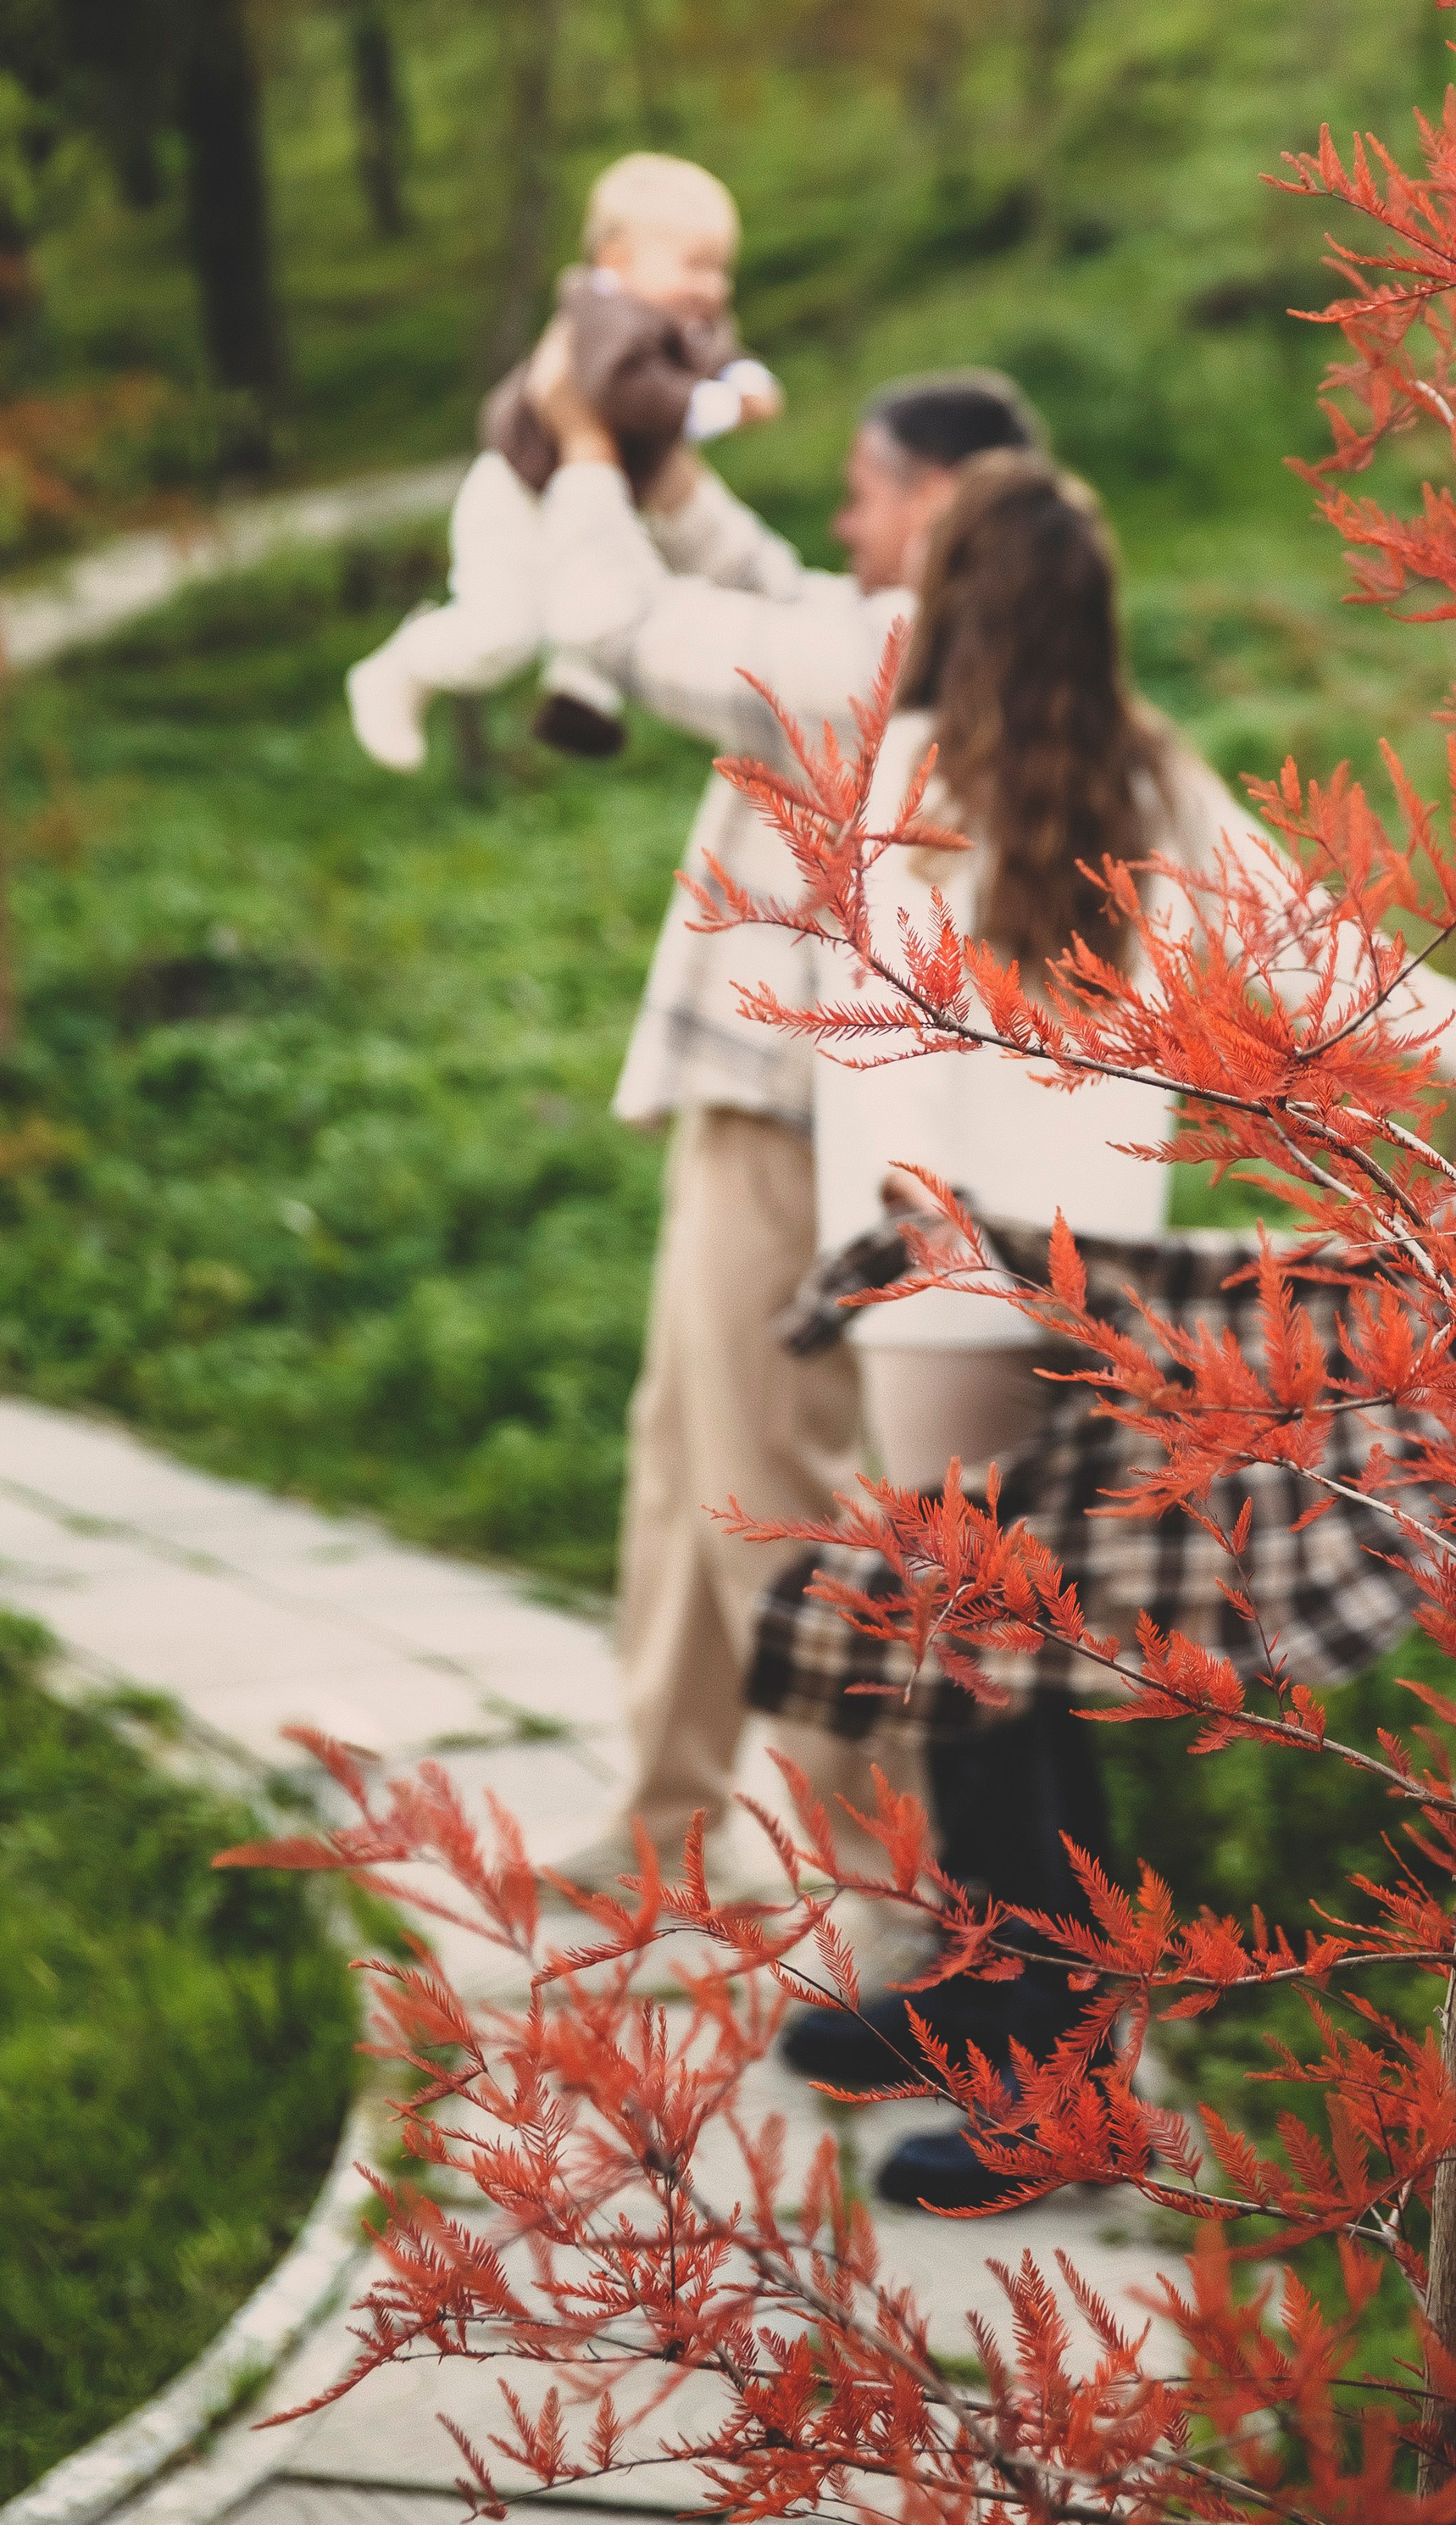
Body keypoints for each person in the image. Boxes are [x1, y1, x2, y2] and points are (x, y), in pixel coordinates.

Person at [770, 452, 1456, 2207]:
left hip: (946, 1298)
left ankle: (1055, 2097)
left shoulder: (896, 782)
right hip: (1077, 1290)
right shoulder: (1138, 777)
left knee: (991, 1695)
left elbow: (867, 1059)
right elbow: (1323, 965)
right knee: (995, 1683)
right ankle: (988, 2005)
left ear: (942, 611)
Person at [524, 363, 1048, 1890]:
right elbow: (750, 572)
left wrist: (580, 465)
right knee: (679, 1452)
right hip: (751, 1109)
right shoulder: (878, 629)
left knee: (769, 1494)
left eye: (867, 487)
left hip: (799, 1122)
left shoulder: (898, 655)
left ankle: (872, 1867)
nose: (844, 514)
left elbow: (643, 625)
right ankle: (666, 1814)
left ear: (938, 501)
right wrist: (654, 455)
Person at [342, 153, 781, 770]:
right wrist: (720, 406)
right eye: (696, 266)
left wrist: (747, 375)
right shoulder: (604, 315)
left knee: (620, 580)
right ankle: (402, 666)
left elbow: (719, 352)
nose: (713, 287)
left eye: (722, 269)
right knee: (502, 634)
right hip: (519, 491)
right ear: (617, 262)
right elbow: (618, 390)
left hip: (591, 493)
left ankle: (580, 697)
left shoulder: (683, 315)